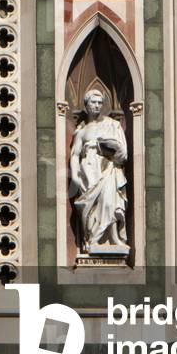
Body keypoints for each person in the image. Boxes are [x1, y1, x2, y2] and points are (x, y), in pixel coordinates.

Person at [69, 89, 128, 250]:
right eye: (93, 102)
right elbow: (74, 155)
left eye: (99, 103)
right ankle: (91, 239)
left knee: (110, 203)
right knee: (89, 207)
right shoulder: (82, 131)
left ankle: (113, 237)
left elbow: (123, 152)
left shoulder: (112, 125)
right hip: (88, 171)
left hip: (108, 167)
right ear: (86, 105)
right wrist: (74, 176)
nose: (97, 106)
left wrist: (113, 147)